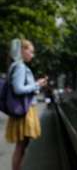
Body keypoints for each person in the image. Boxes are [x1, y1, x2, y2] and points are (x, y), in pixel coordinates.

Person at [5, 39, 47, 170]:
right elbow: (18, 89)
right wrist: (37, 84)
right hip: (24, 110)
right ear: (22, 50)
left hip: (22, 108)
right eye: (31, 51)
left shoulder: (16, 66)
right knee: (21, 146)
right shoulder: (20, 66)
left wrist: (36, 85)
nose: (32, 55)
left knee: (22, 145)